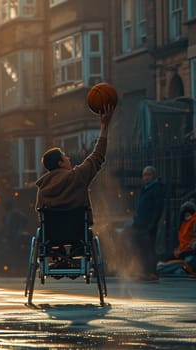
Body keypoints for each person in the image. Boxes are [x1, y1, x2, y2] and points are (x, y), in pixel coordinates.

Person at [35, 105, 113, 265]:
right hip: (78, 234)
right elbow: (97, 156)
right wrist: (104, 127)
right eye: (65, 157)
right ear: (60, 163)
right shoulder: (77, 177)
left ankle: (59, 257)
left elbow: (40, 217)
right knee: (84, 233)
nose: (69, 158)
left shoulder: (42, 189)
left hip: (52, 237)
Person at [129, 166, 166, 281]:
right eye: (144, 175)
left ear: (153, 175)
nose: (146, 177)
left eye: (148, 175)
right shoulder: (145, 188)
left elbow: (158, 208)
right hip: (140, 224)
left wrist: (152, 224)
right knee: (141, 249)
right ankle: (143, 272)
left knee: (149, 249)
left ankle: (151, 272)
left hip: (148, 225)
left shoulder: (156, 188)